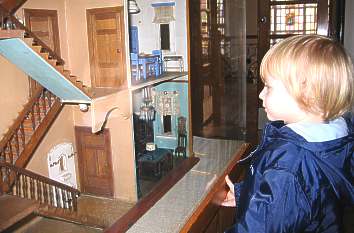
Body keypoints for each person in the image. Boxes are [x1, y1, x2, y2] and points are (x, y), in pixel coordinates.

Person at [222, 35, 354, 233]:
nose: (260, 94)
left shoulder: (290, 162)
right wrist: (246, 195)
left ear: (308, 94)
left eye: (268, 87)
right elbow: (291, 204)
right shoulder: (332, 141)